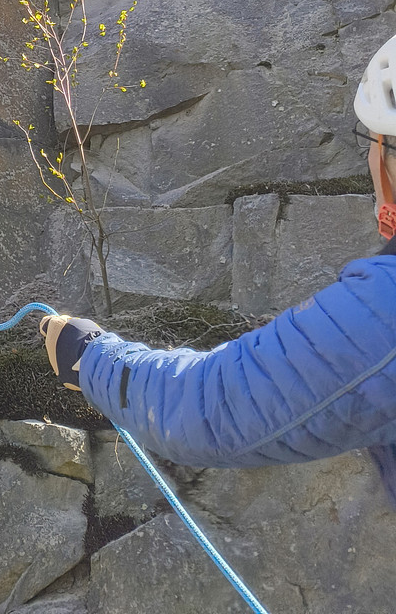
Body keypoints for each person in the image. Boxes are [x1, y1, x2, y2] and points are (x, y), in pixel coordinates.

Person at [40, 31, 396, 503]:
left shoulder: (384, 309)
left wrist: (87, 355)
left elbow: (211, 404)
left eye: (373, 140)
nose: (370, 158)